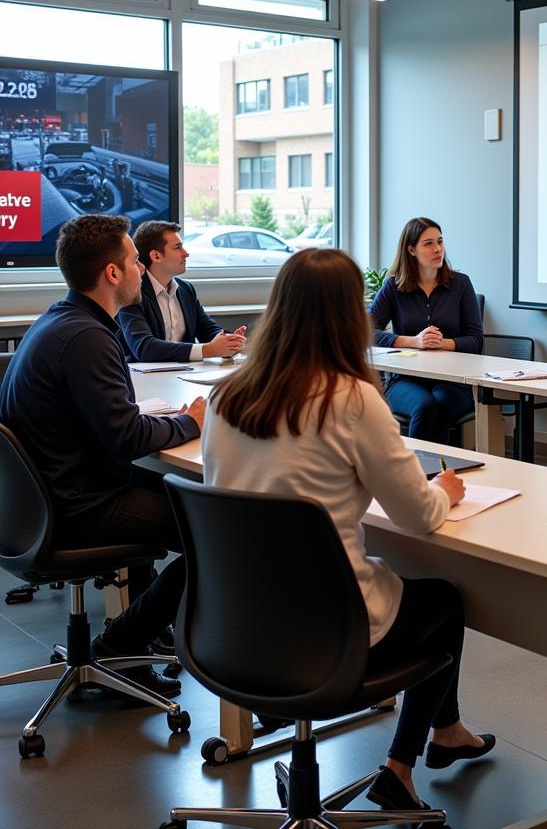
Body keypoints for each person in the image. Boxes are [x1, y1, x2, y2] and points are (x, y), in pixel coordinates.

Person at [203, 247, 495, 814]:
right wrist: (446, 490)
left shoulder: (225, 395)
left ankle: (449, 730)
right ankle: (401, 767)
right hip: (326, 631)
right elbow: (420, 517)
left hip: (234, 624)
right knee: (442, 602)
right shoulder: (353, 399)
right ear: (347, 316)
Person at [0, 215, 206, 697]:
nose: (140, 268)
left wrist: (160, 422)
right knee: (213, 532)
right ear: (113, 274)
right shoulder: (88, 337)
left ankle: (135, 641)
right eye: (135, 260)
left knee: (183, 493)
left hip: (37, 501)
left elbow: (115, 423)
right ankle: (121, 644)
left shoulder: (62, 319)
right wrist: (190, 422)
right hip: (77, 505)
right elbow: (128, 438)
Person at [370, 217, 483, 444]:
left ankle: (436, 473)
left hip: (453, 381)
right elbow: (365, 331)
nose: (438, 249)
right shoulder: (393, 286)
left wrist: (443, 343)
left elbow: (476, 340)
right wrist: (415, 341)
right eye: (428, 243)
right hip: (405, 380)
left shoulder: (461, 284)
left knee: (441, 405)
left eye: (440, 241)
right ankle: (416, 473)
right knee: (425, 406)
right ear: (411, 250)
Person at [117, 220, 246, 363]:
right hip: (142, 380)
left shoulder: (186, 289)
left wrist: (229, 341)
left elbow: (208, 330)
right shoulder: (131, 292)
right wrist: (208, 350)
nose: (186, 254)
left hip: (183, 376)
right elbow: (144, 348)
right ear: (156, 256)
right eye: (178, 247)